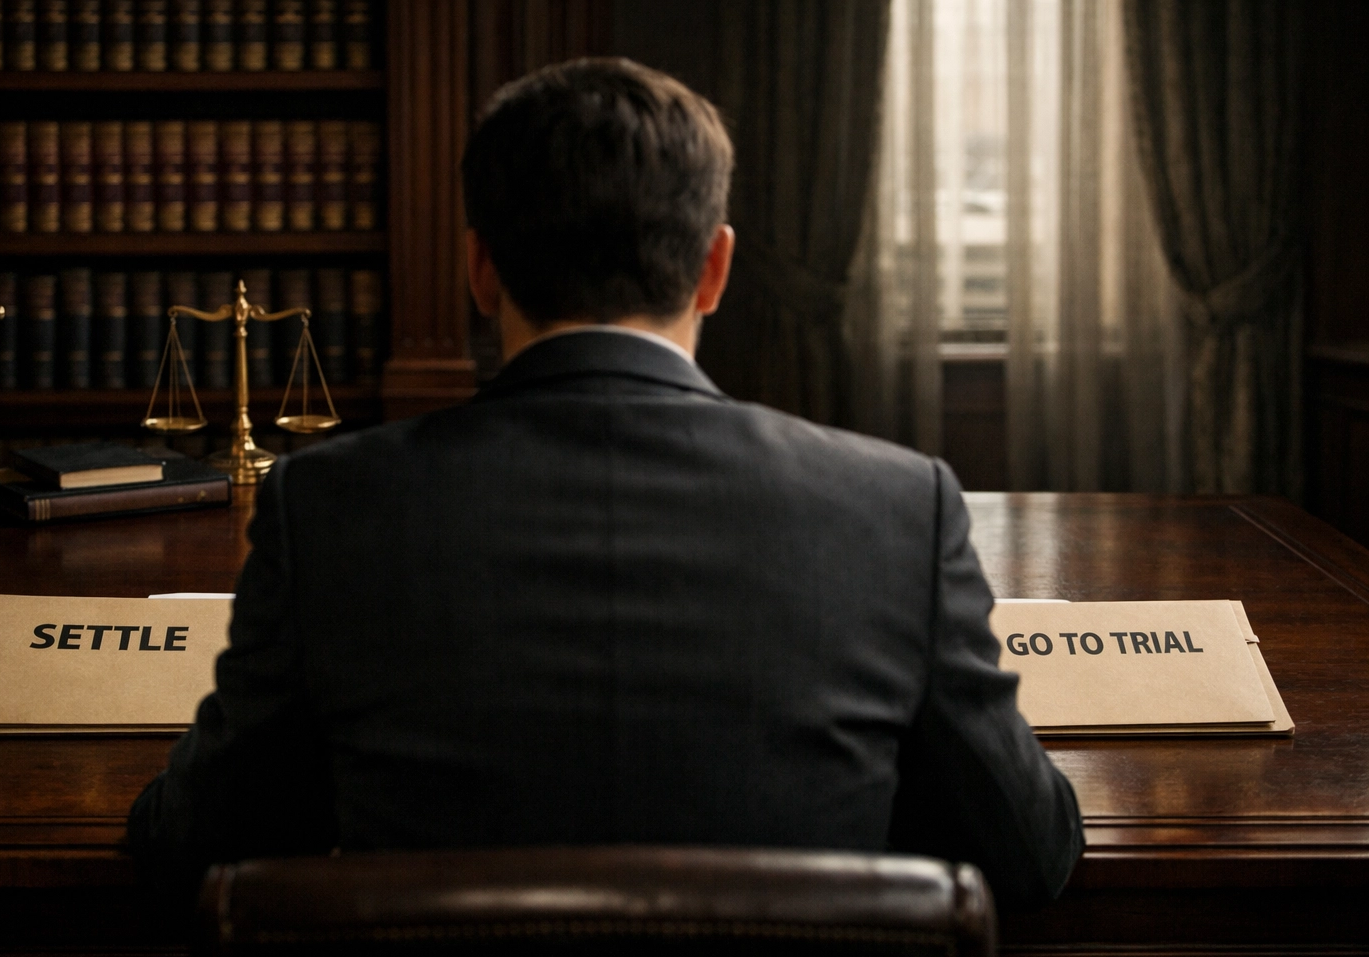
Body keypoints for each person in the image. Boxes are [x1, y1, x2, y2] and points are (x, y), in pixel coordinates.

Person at [129, 57, 1083, 907]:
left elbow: (193, 853)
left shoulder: (324, 509)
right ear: (715, 269)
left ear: (479, 270)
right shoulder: (899, 510)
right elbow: (1028, 854)